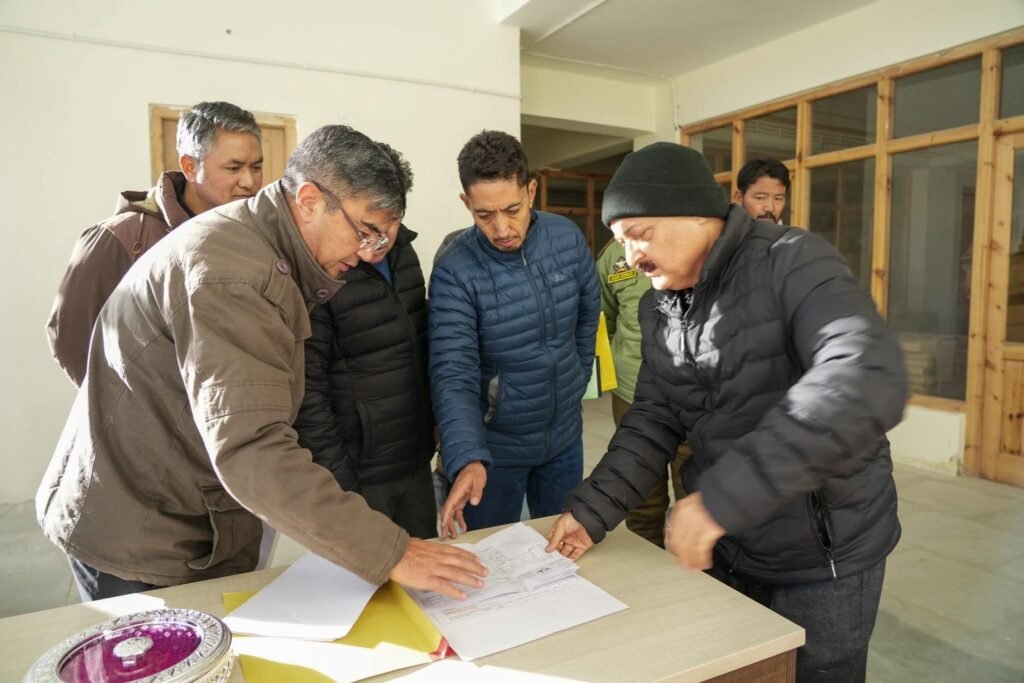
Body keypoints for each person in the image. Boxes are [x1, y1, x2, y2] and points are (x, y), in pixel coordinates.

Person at [36, 125, 486, 602]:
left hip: (193, 512)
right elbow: (252, 447)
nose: (365, 253)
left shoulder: (266, 247)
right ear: (309, 200)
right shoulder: (232, 273)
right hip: (139, 532)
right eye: (364, 232)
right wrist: (391, 551)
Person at [546, 142, 906, 682]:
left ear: (697, 213)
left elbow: (863, 376)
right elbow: (655, 417)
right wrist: (592, 510)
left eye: (639, 234)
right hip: (730, 549)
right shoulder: (660, 306)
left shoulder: (793, 261)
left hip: (823, 558)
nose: (631, 257)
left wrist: (723, 499)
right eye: (621, 242)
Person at [429, 130, 600, 538]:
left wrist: (573, 383)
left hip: (563, 439)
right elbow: (453, 371)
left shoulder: (566, 238)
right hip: (495, 450)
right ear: (466, 203)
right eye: (484, 215)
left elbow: (587, 318)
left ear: (531, 190)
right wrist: (468, 455)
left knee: (561, 545)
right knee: (491, 551)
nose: (502, 228)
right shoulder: (455, 268)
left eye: (512, 209)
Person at [46, 101, 265, 386]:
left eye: (256, 167)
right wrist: (128, 407)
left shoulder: (255, 238)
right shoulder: (122, 238)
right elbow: (70, 340)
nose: (249, 181)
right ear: (189, 167)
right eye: (233, 168)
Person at [293, 214, 437, 539]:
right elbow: (308, 391)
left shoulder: (404, 251)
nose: (379, 240)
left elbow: (421, 347)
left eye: (391, 223)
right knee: (368, 566)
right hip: (359, 471)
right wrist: (340, 483)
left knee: (426, 558)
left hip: (415, 459)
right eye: (368, 227)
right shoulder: (322, 267)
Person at [596, 238, 686, 548]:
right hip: (632, 390)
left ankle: (702, 571)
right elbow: (604, 318)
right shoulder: (613, 256)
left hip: (693, 392)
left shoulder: (694, 243)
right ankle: (649, 564)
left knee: (695, 496)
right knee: (641, 495)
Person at [734, 158, 790, 224]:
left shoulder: (793, 231)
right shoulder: (727, 229)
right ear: (739, 198)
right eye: (760, 198)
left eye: (778, 199)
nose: (770, 208)